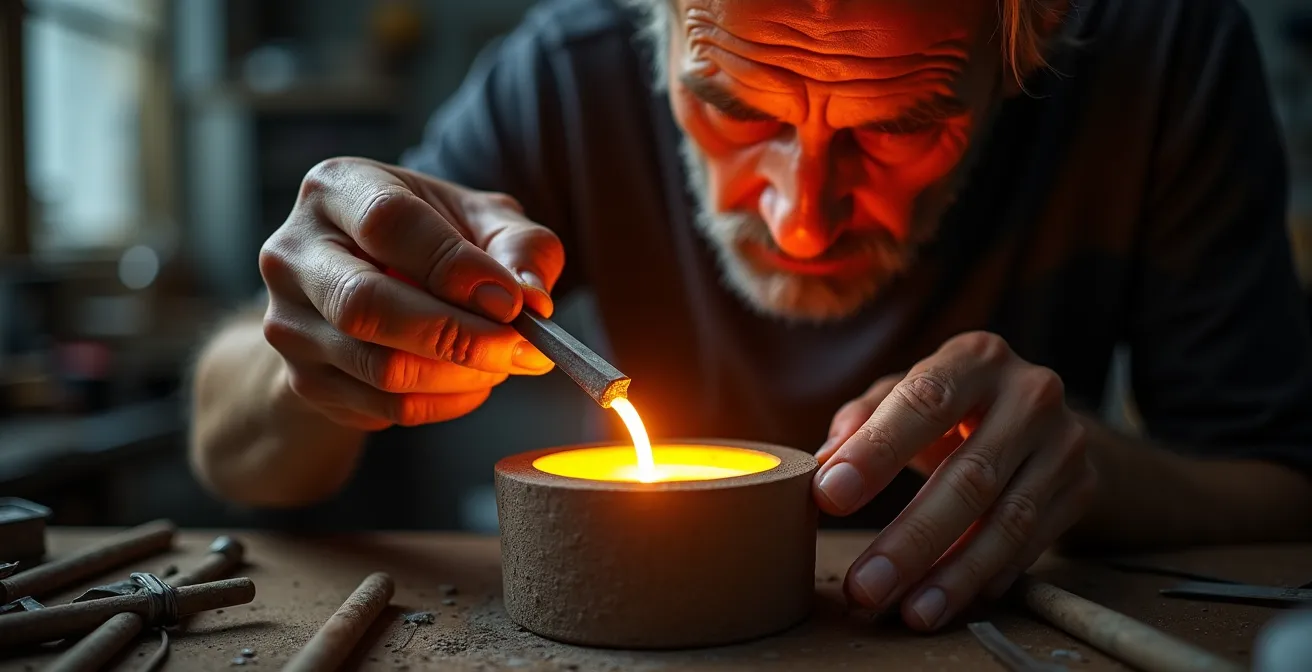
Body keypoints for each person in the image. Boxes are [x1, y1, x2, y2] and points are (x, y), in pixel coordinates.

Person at [190, 0, 1312, 631]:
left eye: (898, 127)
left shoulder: (1164, 56)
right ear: (653, 24)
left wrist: (1096, 474)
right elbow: (232, 451)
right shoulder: (563, 69)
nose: (800, 220)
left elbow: (1280, 484)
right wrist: (318, 353)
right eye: (730, 109)